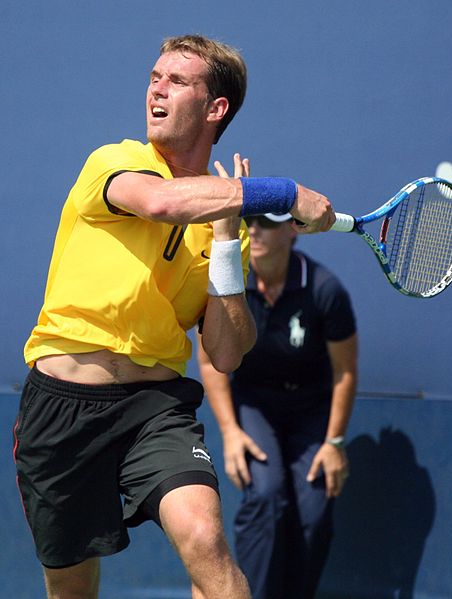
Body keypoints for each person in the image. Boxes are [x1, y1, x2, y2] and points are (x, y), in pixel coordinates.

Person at [13, 34, 335, 599]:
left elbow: (227, 352)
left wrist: (228, 241)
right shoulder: (114, 162)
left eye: (177, 81)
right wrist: (277, 193)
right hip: (61, 407)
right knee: (71, 590)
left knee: (205, 540)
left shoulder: (218, 226)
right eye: (154, 77)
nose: (157, 89)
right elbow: (165, 203)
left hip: (153, 411)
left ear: (216, 109)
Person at [197, 213, 358, 599]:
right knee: (266, 494)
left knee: (316, 508)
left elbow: (345, 371)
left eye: (267, 223)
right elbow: (209, 360)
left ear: (292, 231)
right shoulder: (229, 283)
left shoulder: (324, 289)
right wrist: (231, 432)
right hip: (255, 403)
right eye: (249, 221)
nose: (254, 230)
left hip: (311, 408)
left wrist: (334, 443)